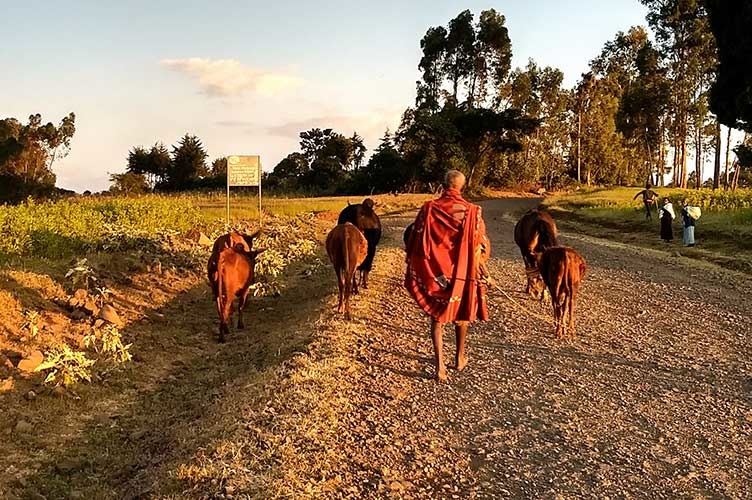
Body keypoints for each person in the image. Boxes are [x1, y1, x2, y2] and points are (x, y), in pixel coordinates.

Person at [404, 170, 491, 382]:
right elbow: (478, 245)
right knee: (461, 316)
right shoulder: (472, 212)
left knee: (437, 319)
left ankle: (440, 367)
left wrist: (413, 262)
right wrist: (485, 272)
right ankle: (460, 358)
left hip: (436, 273)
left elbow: (416, 238)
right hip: (462, 273)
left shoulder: (429, 209)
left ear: (443, 184)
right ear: (463, 186)